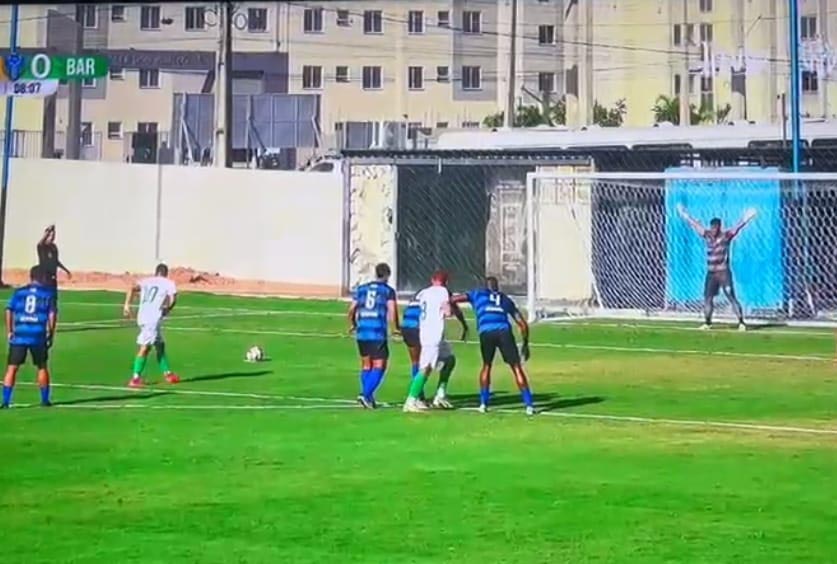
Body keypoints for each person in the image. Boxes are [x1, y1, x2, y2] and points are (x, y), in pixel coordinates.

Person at [452, 276, 535, 415]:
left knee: (486, 365)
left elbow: (452, 299)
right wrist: (525, 344)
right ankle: (529, 406)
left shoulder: (477, 294)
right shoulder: (505, 299)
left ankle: (483, 404)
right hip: (504, 331)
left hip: (486, 332)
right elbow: (522, 324)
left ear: (485, 286)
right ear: (498, 286)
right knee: (516, 367)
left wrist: (461, 320)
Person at [676, 205, 757, 331]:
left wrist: (747, 218)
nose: (714, 230)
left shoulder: (726, 236)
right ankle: (707, 323)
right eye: (712, 227)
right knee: (708, 298)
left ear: (720, 227)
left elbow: (737, 227)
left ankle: (741, 322)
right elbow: (696, 225)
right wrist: (685, 215)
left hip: (723, 272)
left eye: (716, 227)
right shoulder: (707, 235)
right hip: (711, 273)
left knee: (731, 296)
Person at [403, 271, 469, 413]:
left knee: (449, 360)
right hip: (432, 334)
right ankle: (411, 400)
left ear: (432, 280)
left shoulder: (424, 292)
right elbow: (448, 312)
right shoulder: (443, 292)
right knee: (426, 367)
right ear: (446, 282)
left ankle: (440, 395)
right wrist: (449, 311)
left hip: (427, 330)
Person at [2, 266, 57, 408]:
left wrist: (10, 330)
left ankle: (5, 402)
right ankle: (45, 400)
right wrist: (51, 333)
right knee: (42, 366)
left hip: (20, 335)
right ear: (42, 278)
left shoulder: (19, 292)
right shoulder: (47, 294)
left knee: (12, 368)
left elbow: (8, 310)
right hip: (38, 336)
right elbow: (52, 314)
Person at [348, 263, 399, 409]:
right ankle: (365, 394)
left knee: (366, 365)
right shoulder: (388, 291)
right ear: (388, 275)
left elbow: (352, 309)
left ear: (376, 273)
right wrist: (395, 328)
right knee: (380, 365)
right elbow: (392, 310)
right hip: (377, 332)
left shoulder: (362, 289)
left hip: (362, 332)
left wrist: (353, 324)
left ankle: (368, 398)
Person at [123, 263, 180, 387]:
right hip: (152, 319)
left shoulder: (146, 281)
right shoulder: (168, 283)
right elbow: (173, 298)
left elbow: (132, 288)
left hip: (143, 316)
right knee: (145, 348)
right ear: (166, 273)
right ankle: (135, 378)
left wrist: (127, 305)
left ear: (156, 272)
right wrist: (168, 309)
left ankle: (168, 373)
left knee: (160, 344)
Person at [37, 224, 71, 302]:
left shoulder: (54, 247)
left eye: (54, 235)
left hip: (53, 277)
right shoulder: (42, 247)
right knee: (44, 297)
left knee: (53, 298)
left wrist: (66, 270)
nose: (52, 237)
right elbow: (40, 243)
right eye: (50, 235)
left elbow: (56, 261)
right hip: (44, 277)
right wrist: (48, 231)